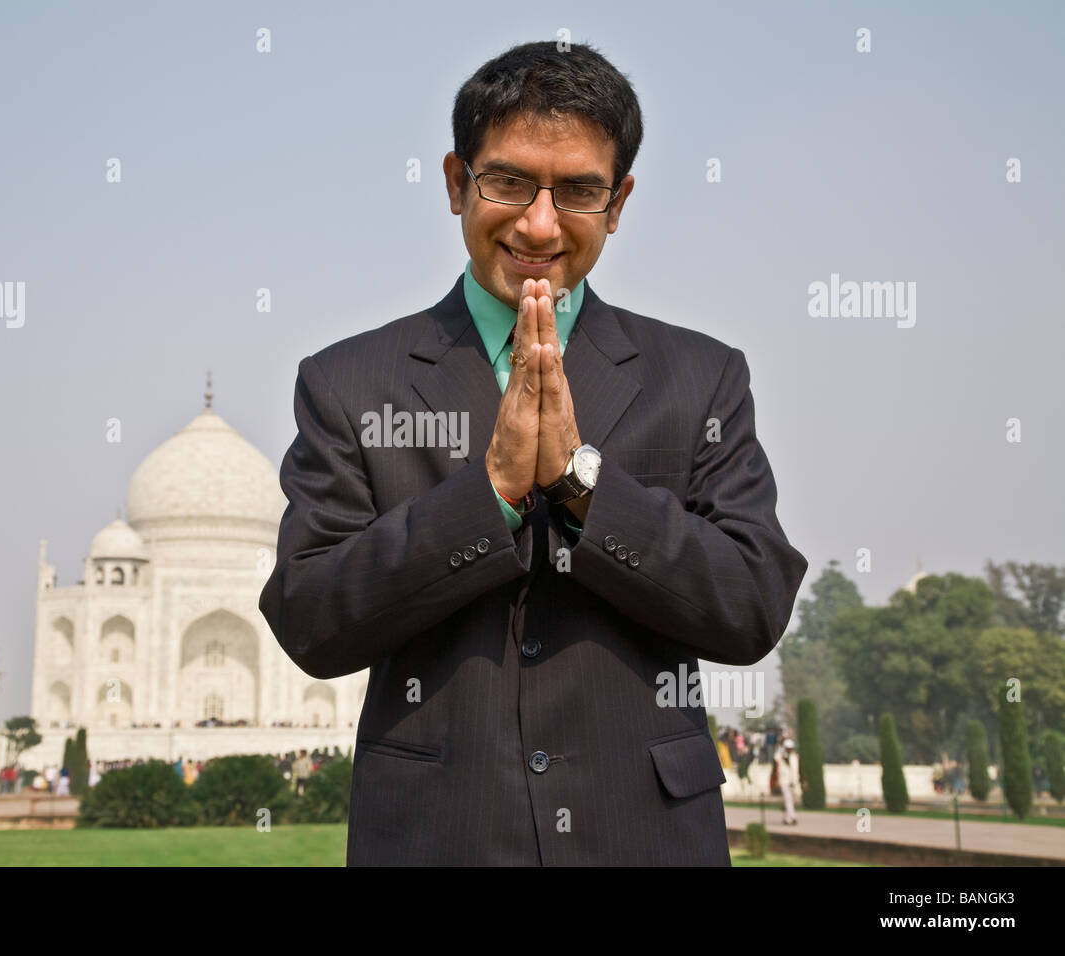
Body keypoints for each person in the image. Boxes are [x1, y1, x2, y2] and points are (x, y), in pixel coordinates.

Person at [259, 41, 807, 866]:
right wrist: (489, 495)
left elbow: (752, 606)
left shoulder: (698, 379)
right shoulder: (351, 383)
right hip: (442, 833)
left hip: (645, 834)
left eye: (579, 190)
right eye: (508, 181)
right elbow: (310, 619)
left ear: (618, 202)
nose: (539, 223)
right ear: (456, 182)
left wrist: (581, 484)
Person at [777, 739, 801, 824]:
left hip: (793, 782)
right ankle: (793, 816)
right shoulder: (780, 756)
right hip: (784, 782)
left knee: (791, 801)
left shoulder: (794, 757)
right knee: (788, 800)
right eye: (788, 748)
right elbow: (777, 769)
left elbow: (797, 769)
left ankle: (787, 818)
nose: (789, 750)